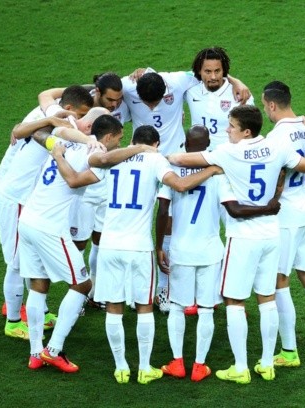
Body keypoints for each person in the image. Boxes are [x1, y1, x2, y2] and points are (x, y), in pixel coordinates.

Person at [167, 105, 305, 384]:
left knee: (234, 301)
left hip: (243, 238)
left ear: (245, 131)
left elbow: (179, 158)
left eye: (231, 126)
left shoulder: (227, 153)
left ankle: (240, 367)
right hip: (271, 235)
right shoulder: (277, 146)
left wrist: (163, 154)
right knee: (267, 298)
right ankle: (266, 363)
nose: (226, 130)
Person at [20, 114, 156, 373]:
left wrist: (56, 147)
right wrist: (140, 147)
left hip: (28, 220)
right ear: (107, 137)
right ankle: (54, 349)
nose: (119, 142)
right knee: (83, 284)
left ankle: (35, 352)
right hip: (50, 227)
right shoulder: (94, 151)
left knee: (39, 284)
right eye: (118, 139)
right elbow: (98, 163)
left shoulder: (64, 140)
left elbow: (41, 134)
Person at [92, 125, 222, 384]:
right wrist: (213, 168)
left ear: (131, 139)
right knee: (144, 307)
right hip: (139, 246)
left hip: (108, 244)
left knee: (114, 308)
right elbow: (181, 185)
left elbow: (81, 179)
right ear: (157, 143)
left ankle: (120, 368)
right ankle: (144, 368)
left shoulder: (111, 159)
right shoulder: (156, 160)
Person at [122, 62, 252, 313]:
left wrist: (235, 81)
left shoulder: (179, 81)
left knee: (171, 221)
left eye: (156, 102)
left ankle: (164, 288)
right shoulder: (128, 84)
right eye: (146, 104)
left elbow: (210, 77)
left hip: (177, 160)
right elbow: (102, 87)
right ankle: (134, 289)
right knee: (136, 219)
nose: (151, 108)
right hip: (147, 159)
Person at [156, 125, 280, 382]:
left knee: (178, 307)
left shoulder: (173, 169)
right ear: (209, 143)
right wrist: (268, 207)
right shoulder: (220, 172)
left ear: (185, 144)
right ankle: (200, 365)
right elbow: (234, 209)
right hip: (211, 250)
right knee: (206, 309)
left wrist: (160, 245)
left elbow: (163, 210)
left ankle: (178, 362)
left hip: (181, 249)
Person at [0, 86, 94, 339]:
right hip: (17, 195)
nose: (82, 120)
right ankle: (13, 321)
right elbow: (21, 130)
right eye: (82, 114)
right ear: (70, 109)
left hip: (28, 196)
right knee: (17, 262)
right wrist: (88, 139)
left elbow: (40, 102)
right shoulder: (64, 121)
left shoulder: (55, 113)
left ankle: (37, 310)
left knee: (32, 262)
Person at [38, 74, 132, 310]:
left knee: (101, 242)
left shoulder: (104, 120)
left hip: (104, 193)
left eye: (117, 100)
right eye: (110, 99)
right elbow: (46, 102)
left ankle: (95, 292)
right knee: (79, 245)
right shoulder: (74, 125)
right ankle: (77, 294)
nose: (114, 104)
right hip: (83, 198)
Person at [260, 81, 305, 366]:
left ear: (272, 104)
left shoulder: (275, 137)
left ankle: (289, 351)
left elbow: (276, 177)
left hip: (286, 216)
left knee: (280, 280)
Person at [185, 47, 255, 149]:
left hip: (227, 157)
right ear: (199, 71)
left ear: (224, 71)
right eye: (208, 72)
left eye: (217, 71)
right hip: (198, 156)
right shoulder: (190, 88)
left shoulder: (240, 94)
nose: (213, 77)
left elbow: (250, 131)